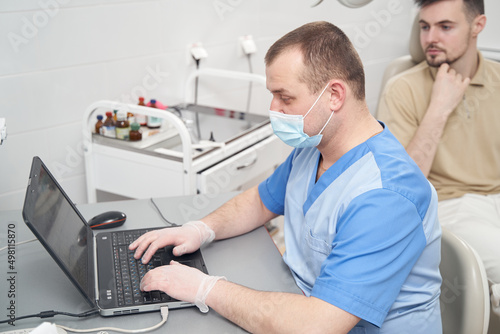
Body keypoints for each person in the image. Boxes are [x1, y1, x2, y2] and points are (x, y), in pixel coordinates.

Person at [130, 21, 442, 333]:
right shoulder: (314, 147)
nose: (273, 109)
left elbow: (317, 325)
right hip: (302, 302)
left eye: (285, 97)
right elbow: (261, 200)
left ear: (334, 95)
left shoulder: (386, 195)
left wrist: (206, 290)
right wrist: (200, 229)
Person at [377, 0, 500, 318]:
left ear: (478, 26)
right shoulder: (402, 88)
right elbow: (405, 186)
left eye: (445, 27)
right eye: (424, 26)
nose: (431, 37)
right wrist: (440, 107)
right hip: (450, 205)